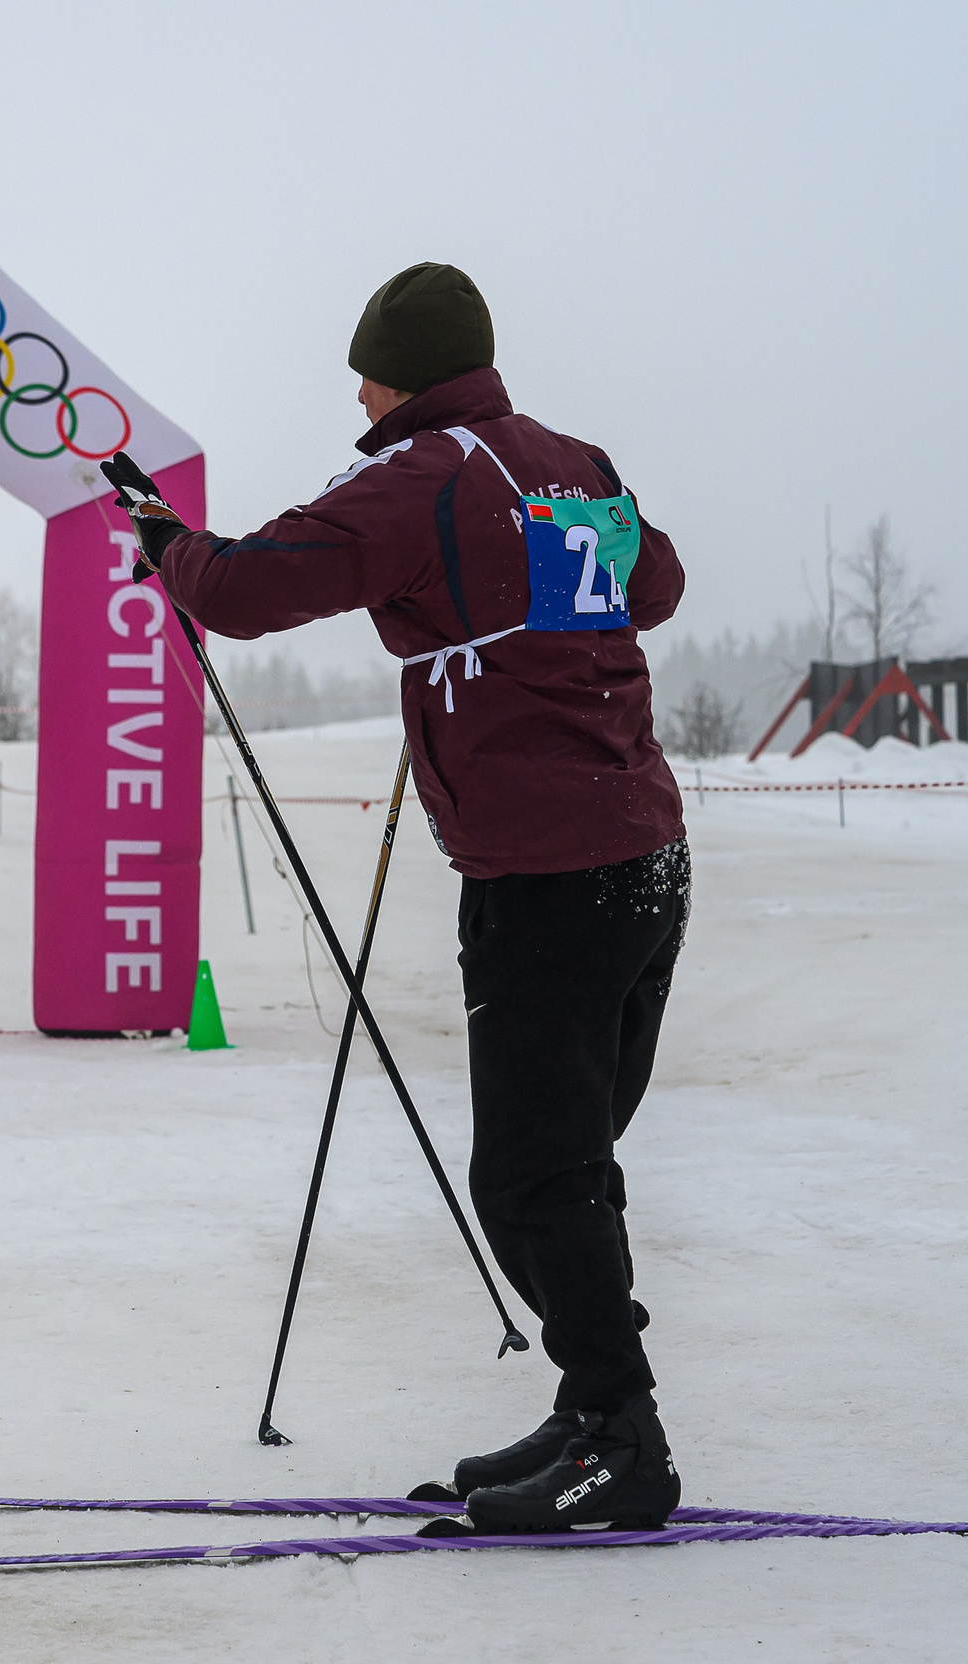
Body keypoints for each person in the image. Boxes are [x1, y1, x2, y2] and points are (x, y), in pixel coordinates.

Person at [106, 263, 690, 1534]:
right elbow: (653, 590)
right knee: (561, 1167)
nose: (357, 394)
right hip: (641, 862)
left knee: (534, 1180)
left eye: (365, 370)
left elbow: (247, 589)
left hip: (547, 877)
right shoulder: (569, 459)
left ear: (402, 371)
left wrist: (160, 536)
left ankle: (619, 1433)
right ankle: (594, 1413)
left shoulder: (415, 473)